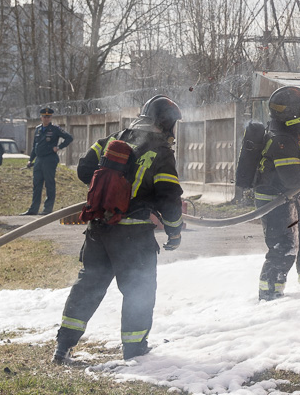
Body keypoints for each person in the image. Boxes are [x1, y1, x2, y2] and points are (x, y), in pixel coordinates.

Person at [53, 96, 184, 364]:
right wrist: (174, 231)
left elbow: (84, 168)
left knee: (88, 287)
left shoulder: (113, 139)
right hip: (134, 236)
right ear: (167, 123)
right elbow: (169, 195)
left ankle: (63, 347)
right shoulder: (160, 151)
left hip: (99, 229)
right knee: (139, 291)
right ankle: (134, 351)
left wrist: (106, 197)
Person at [234, 86, 300, 301]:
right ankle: (269, 297)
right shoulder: (282, 140)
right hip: (275, 201)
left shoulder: (292, 133)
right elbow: (295, 178)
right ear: (292, 113)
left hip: (290, 197)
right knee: (283, 249)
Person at [23, 106, 74, 216]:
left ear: (51, 118)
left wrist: (59, 147)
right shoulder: (38, 129)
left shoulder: (55, 129)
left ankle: (47, 209)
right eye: (44, 117)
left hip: (49, 159)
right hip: (39, 159)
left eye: (48, 117)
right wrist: (30, 159)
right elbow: (34, 146)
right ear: (41, 117)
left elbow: (69, 137)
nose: (46, 119)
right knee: (37, 184)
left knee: (49, 183)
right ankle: (33, 209)